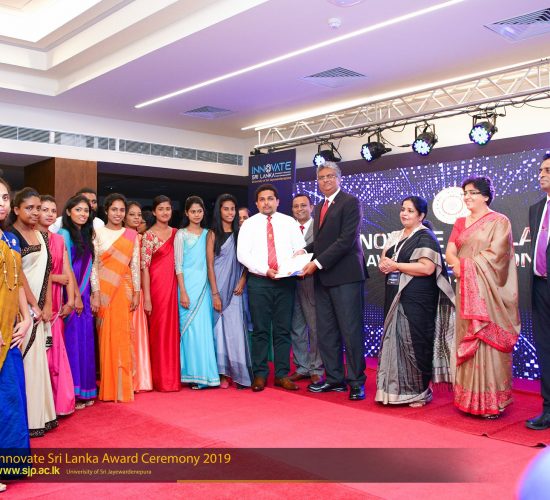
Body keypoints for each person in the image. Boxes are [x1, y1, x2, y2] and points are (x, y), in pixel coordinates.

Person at [446, 176, 520, 418]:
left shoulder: (500, 221)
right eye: (465, 193)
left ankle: (492, 402)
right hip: (466, 290)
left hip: (489, 292)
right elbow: (450, 251)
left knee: (487, 339)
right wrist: (458, 265)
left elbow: (498, 256)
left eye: (473, 192)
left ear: (486, 196)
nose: (467, 197)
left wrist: (465, 266)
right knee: (467, 336)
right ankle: (467, 400)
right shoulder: (460, 222)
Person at [376, 196, 455, 406]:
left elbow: (427, 268)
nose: (404, 214)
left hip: (417, 298)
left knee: (415, 341)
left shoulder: (425, 236)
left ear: (421, 215)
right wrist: (385, 264)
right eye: (403, 209)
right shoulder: (395, 236)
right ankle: (392, 392)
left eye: (410, 211)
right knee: (394, 340)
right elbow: (385, 260)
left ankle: (420, 392)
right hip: (394, 293)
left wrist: (396, 266)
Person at [301, 162, 368, 401]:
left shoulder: (351, 202)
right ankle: (334, 379)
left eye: (330, 176)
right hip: (324, 279)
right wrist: (305, 251)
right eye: (321, 177)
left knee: (351, 331)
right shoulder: (320, 206)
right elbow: (322, 242)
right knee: (327, 332)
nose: (326, 180)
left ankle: (357, 382)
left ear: (339, 178)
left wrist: (316, 263)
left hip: (346, 277)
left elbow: (346, 240)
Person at [237, 183, 305, 392]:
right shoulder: (249, 225)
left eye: (270, 198)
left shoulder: (289, 222)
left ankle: (282, 375)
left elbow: (300, 248)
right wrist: (265, 270)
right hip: (259, 281)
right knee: (260, 330)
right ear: (257, 203)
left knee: (283, 330)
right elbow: (242, 255)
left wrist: (298, 259)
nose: (266, 203)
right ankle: (260, 374)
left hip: (285, 281)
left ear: (277, 201)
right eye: (262, 199)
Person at [10, 187, 58, 436]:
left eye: (38, 208)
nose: (35, 212)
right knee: (25, 362)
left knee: (39, 362)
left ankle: (41, 416)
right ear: (16, 209)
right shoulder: (11, 236)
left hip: (40, 308)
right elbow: (18, 277)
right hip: (21, 310)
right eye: (29, 208)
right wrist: (33, 306)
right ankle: (26, 420)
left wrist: (47, 304)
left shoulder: (41, 235)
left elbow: (47, 272)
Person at [90, 194, 140, 402]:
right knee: (106, 338)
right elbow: (93, 266)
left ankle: (123, 387)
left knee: (123, 336)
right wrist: (95, 292)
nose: (118, 214)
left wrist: (137, 292)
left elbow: (134, 266)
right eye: (114, 209)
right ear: (106, 211)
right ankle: (109, 387)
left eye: (121, 210)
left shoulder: (131, 235)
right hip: (104, 291)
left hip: (124, 290)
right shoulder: (98, 233)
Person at [0, 178, 31, 490]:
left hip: (10, 331)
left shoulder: (9, 238)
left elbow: (17, 280)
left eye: (5, 197)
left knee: (10, 396)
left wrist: (26, 317)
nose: (2, 203)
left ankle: (8, 464)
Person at [207, 194, 252, 389]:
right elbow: (210, 265)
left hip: (236, 289)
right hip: (217, 287)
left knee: (235, 331)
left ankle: (239, 373)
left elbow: (247, 262)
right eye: (226, 209)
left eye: (232, 209)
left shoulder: (241, 234)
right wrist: (215, 293)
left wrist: (242, 280)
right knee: (218, 331)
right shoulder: (212, 234)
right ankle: (222, 374)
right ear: (219, 211)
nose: (230, 212)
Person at [176, 196, 219, 389]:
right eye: (193, 211)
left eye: (199, 211)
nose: (196, 215)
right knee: (189, 332)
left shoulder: (209, 234)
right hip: (186, 288)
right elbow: (178, 265)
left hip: (204, 288)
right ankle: (192, 374)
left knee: (203, 332)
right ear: (186, 213)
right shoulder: (181, 234)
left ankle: (206, 376)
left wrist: (214, 291)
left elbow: (211, 264)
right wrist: (183, 291)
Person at [38, 195, 76, 416]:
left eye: (53, 210)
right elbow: (26, 273)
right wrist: (54, 278)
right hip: (38, 301)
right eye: (45, 209)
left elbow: (67, 271)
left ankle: (58, 404)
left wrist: (70, 300)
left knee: (56, 353)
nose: (50, 214)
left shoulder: (59, 240)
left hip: (57, 302)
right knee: (40, 354)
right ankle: (41, 407)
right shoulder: (30, 238)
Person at [58, 195, 97, 409]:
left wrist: (88, 295)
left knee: (86, 341)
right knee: (73, 342)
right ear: (68, 212)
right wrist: (75, 297)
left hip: (85, 294)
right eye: (78, 210)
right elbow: (66, 268)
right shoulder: (64, 234)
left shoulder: (87, 234)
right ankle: (73, 391)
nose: (83, 214)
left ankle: (86, 389)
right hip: (71, 295)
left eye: (86, 211)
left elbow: (90, 267)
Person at [141, 195, 180, 392]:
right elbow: (144, 268)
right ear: (154, 212)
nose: (165, 212)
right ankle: (159, 379)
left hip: (174, 287)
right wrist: (147, 298)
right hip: (156, 289)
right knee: (158, 331)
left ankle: (172, 378)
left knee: (173, 332)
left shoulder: (177, 234)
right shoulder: (148, 236)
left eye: (168, 208)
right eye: (161, 209)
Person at [526, 153, 550, 430]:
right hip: (540, 286)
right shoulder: (535, 209)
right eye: (541, 170)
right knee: (545, 349)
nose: (541, 174)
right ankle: (548, 409)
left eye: (548, 170)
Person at [289, 193, 323, 384]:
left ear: (311, 207)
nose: (299, 209)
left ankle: (316, 368)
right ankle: (302, 367)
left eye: (303, 205)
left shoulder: (320, 227)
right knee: (297, 328)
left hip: (313, 282)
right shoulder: (287, 228)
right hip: (291, 283)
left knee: (315, 327)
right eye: (296, 206)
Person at [125, 201, 153, 392]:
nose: (137, 218)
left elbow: (144, 269)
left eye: (139, 215)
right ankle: (124, 378)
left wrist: (144, 295)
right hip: (117, 289)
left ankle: (138, 379)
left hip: (136, 290)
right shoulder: (118, 237)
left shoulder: (141, 238)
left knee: (136, 334)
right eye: (132, 214)